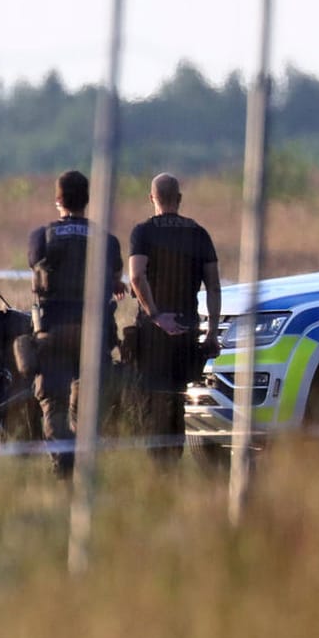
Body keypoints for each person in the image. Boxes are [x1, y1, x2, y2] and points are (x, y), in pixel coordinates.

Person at [27, 169, 123, 477]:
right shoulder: (107, 241)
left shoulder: (41, 237)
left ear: (58, 200)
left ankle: (63, 465)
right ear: (88, 200)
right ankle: (84, 463)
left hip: (52, 332)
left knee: (52, 403)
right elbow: (115, 277)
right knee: (88, 403)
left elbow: (36, 266)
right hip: (94, 334)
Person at [127, 172, 221, 464]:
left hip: (153, 334)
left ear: (151, 198)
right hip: (186, 329)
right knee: (177, 402)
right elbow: (214, 286)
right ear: (179, 199)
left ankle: (158, 468)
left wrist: (155, 315)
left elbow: (136, 275)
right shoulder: (199, 234)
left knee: (151, 401)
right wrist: (212, 333)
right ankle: (172, 465)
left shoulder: (142, 232)